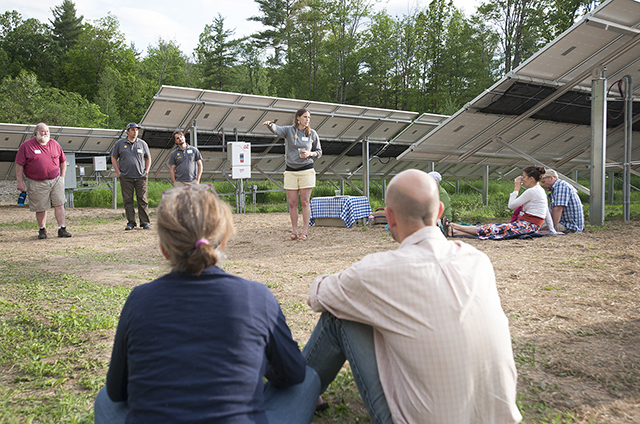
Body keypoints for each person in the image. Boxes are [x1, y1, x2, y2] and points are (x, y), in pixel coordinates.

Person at [303, 169, 522, 424]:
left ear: (390, 217)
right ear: (439, 212)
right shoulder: (478, 260)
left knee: (340, 314)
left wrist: (349, 286)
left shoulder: (378, 270)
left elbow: (318, 297)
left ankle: (295, 393)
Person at [95, 184, 320, 424]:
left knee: (104, 399)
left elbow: (117, 391)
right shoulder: (256, 296)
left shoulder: (138, 300)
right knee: (308, 378)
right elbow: (293, 373)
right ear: (222, 241)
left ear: (164, 249)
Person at [446, 165, 554, 239]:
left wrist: (516, 189)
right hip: (529, 225)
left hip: (527, 225)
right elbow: (546, 212)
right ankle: (454, 231)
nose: (522, 179)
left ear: (531, 179)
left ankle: (454, 226)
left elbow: (511, 205)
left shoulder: (532, 191)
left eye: (524, 177)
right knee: (495, 229)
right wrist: (552, 230)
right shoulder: (539, 191)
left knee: (494, 229)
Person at [263, 109, 322, 241]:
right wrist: (270, 125)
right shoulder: (289, 130)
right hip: (290, 171)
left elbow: (319, 151)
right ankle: (294, 232)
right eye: (305, 117)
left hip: (306, 170)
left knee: (305, 202)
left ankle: (304, 232)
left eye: (309, 117)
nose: (307, 120)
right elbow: (277, 129)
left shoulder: (312, 134)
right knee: (292, 203)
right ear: (298, 118)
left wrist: (310, 154)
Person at [14, 123, 72, 239]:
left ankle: (62, 228)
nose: (45, 133)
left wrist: (62, 177)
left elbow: (63, 161)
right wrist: (19, 181)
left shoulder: (55, 144)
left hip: (55, 180)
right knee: (41, 207)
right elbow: (19, 164)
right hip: (36, 181)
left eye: (47, 131)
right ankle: (42, 229)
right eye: (42, 131)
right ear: (36, 133)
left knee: (59, 204)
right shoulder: (26, 146)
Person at [111, 123, 152, 231]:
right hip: (126, 177)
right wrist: (118, 172)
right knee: (128, 200)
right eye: (133, 130)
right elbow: (113, 157)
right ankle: (131, 222)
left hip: (140, 176)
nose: (135, 132)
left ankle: (145, 222)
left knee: (142, 199)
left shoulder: (142, 144)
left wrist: (146, 171)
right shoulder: (120, 144)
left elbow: (148, 158)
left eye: (136, 130)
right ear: (127, 131)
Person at [540, 169, 584, 233]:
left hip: (570, 226)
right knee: (537, 222)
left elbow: (558, 209)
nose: (542, 185)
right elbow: (551, 210)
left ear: (551, 178)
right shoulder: (556, 187)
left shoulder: (561, 187)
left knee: (535, 224)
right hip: (565, 223)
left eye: (544, 182)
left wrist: (552, 230)